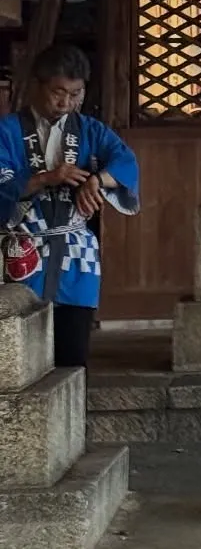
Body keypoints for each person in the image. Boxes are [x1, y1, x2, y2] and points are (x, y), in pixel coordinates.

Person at [0, 44, 139, 369]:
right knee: (19, 360)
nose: (66, 103)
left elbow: (126, 162)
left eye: (75, 94)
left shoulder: (91, 130)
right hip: (23, 252)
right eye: (57, 92)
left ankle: (73, 418)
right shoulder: (6, 131)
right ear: (37, 85)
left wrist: (97, 180)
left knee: (73, 358)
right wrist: (46, 178)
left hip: (77, 255)